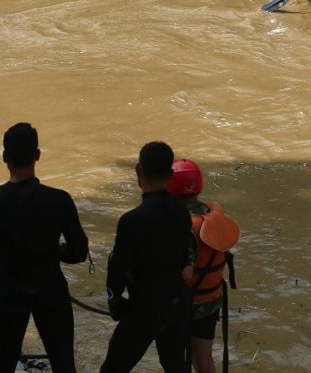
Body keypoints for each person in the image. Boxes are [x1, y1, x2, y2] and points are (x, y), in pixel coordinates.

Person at [0, 123, 89, 373]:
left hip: (9, 286)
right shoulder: (59, 200)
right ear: (37, 154)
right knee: (63, 364)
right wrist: (54, 251)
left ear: (4, 157)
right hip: (50, 287)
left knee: (4, 364)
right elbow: (78, 252)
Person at [100, 142, 193, 373]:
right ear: (170, 174)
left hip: (144, 309)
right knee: (176, 367)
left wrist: (115, 302)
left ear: (138, 170)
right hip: (176, 303)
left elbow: (117, 271)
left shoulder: (132, 221)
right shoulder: (181, 210)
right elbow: (184, 257)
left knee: (112, 369)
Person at [166, 160, 240, 373]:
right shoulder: (214, 215)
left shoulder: (177, 224)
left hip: (183, 303)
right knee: (203, 359)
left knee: (176, 361)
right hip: (210, 300)